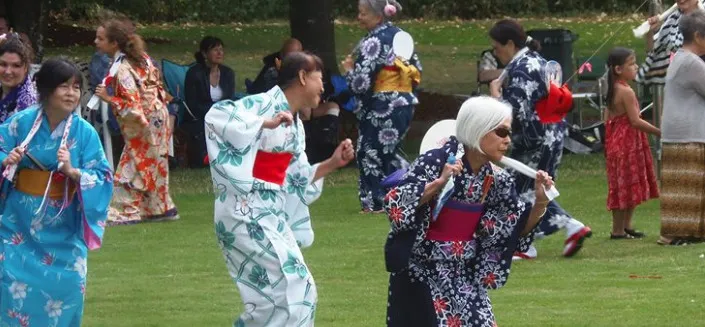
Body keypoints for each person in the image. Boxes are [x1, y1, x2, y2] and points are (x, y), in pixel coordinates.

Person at [205, 52, 355, 327]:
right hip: (245, 211)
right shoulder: (262, 105)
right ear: (302, 77)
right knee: (293, 287)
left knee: (291, 294)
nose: (323, 87)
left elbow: (296, 179)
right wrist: (263, 122)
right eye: (319, 79)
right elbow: (216, 117)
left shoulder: (295, 125)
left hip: (270, 214)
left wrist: (333, 163)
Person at [384, 96, 553, 327]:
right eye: (501, 132)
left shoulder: (497, 178)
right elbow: (395, 205)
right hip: (422, 272)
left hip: (464, 273)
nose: (508, 141)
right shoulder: (436, 161)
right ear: (478, 130)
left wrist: (541, 203)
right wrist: (439, 183)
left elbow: (513, 229)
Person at [0, 57, 113, 326]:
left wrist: (75, 173)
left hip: (63, 228)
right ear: (46, 89)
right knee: (10, 285)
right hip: (18, 225)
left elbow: (103, 176)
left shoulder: (85, 133)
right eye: (64, 86)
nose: (71, 93)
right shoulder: (20, 123)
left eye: (76, 87)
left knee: (70, 287)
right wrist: (6, 160)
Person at [488, 19, 592, 259]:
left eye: (497, 47)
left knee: (518, 190)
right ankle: (565, 229)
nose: (496, 53)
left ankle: (531, 243)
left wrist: (495, 97)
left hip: (534, 140)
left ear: (510, 43)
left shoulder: (522, 68)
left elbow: (515, 112)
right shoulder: (536, 60)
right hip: (550, 134)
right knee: (529, 189)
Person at [93, 18, 179, 225]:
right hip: (159, 115)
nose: (96, 42)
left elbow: (132, 106)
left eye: (100, 38)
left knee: (134, 162)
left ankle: (129, 210)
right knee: (156, 162)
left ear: (114, 44)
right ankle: (160, 208)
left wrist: (108, 98)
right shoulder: (144, 58)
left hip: (145, 120)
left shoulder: (122, 68)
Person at [343, 0, 422, 213]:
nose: (359, 17)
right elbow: (416, 71)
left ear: (378, 16)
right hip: (404, 102)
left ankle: (376, 201)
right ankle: (411, 189)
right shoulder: (401, 36)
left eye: (363, 13)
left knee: (369, 151)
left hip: (383, 104)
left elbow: (360, 83)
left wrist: (349, 70)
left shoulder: (373, 41)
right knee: (388, 151)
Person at [603, 47, 660, 239]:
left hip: (617, 142)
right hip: (627, 144)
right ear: (618, 69)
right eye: (632, 64)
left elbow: (607, 119)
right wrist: (659, 132)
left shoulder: (613, 89)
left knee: (625, 184)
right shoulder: (625, 91)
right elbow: (635, 120)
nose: (636, 67)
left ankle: (626, 226)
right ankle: (618, 230)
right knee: (624, 186)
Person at [659, 10, 705, 245]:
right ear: (698, 36)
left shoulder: (680, 58)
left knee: (688, 183)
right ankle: (679, 233)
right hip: (687, 132)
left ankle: (687, 232)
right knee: (687, 184)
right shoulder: (692, 63)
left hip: (678, 131)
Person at [183, 36, 235, 168]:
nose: (219, 53)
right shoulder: (194, 73)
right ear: (204, 53)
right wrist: (213, 112)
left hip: (223, 113)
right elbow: (192, 104)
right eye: (215, 50)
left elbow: (229, 99)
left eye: (221, 50)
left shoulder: (228, 73)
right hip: (202, 115)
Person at [0, 35, 37, 123]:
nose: (8, 71)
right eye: (3, 64)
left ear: (25, 68)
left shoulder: (28, 105)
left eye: (16, 66)